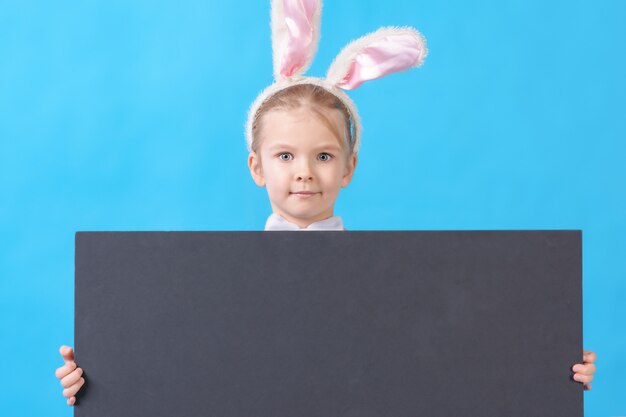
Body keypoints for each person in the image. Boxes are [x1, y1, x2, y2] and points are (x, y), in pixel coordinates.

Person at [55, 0, 598, 406]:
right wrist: (100, 376)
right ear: (256, 167)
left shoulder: (400, 289)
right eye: (286, 155)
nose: (304, 173)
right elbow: (177, 368)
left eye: (323, 156)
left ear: (348, 168)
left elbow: (452, 362)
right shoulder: (205, 289)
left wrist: (549, 365)